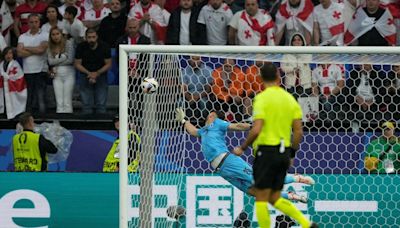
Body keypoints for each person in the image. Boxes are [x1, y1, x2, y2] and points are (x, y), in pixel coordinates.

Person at [233, 63, 317, 228]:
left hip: (265, 152)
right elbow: (299, 132)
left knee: (261, 197)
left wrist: (242, 147)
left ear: (261, 78)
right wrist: (292, 154)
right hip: (283, 153)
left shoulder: (262, 98)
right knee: (274, 197)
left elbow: (256, 129)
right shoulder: (289, 99)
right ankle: (306, 223)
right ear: (279, 77)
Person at [175, 108, 315, 204]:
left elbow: (236, 126)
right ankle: (291, 196)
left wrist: (251, 127)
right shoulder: (203, 131)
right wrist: (183, 121)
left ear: (212, 115)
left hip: (228, 161)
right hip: (221, 170)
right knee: (254, 192)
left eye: (210, 115)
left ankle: (297, 178)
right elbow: (192, 131)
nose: (208, 116)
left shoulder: (218, 123)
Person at [74, 28, 112, 115]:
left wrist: (97, 73)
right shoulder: (81, 47)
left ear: (97, 37)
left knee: (101, 103)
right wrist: (89, 74)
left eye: (93, 37)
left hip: (101, 74)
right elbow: (77, 64)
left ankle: (101, 124)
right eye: (89, 37)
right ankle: (86, 125)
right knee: (86, 104)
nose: (91, 39)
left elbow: (109, 64)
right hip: (85, 74)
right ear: (85, 37)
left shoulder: (104, 46)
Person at [17, 13, 49, 115]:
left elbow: (41, 50)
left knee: (41, 98)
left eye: (36, 22)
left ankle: (43, 120)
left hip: (41, 70)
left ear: (39, 22)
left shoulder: (45, 34)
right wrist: (35, 49)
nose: (34, 24)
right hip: (27, 70)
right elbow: (19, 53)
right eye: (31, 22)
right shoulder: (22, 36)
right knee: (29, 97)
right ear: (27, 23)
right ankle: (29, 121)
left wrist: (25, 47)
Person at [47, 27, 75, 113]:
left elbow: (70, 60)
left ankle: (68, 122)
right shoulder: (49, 46)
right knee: (59, 101)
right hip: (56, 75)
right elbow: (50, 62)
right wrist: (63, 57)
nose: (56, 36)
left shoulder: (68, 43)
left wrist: (56, 62)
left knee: (67, 100)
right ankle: (58, 123)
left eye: (57, 34)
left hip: (68, 73)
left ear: (61, 34)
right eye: (53, 34)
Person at [0, 47, 27, 119]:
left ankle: (15, 113)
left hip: (12, 88)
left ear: (13, 54)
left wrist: (6, 77)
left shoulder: (15, 64)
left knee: (13, 102)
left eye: (10, 53)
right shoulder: (1, 64)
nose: (8, 55)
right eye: (6, 54)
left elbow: (18, 77)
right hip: (3, 88)